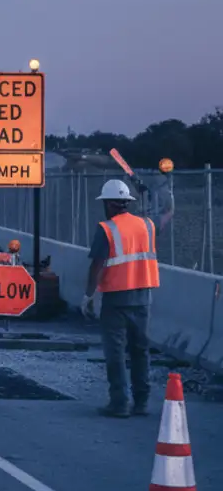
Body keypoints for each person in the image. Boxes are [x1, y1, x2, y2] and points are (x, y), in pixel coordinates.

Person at [82, 179, 159, 418]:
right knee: (140, 350)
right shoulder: (147, 225)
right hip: (143, 295)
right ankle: (141, 402)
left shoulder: (107, 228)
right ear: (127, 202)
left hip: (116, 298)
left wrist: (88, 296)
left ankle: (120, 402)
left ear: (109, 204)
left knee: (115, 351)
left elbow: (97, 264)